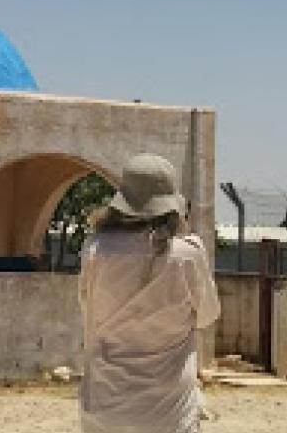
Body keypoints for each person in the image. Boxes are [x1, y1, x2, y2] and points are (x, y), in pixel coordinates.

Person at [77, 153, 221, 433]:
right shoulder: (187, 255)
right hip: (169, 412)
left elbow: (88, 311)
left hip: (104, 408)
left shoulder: (94, 250)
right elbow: (207, 315)